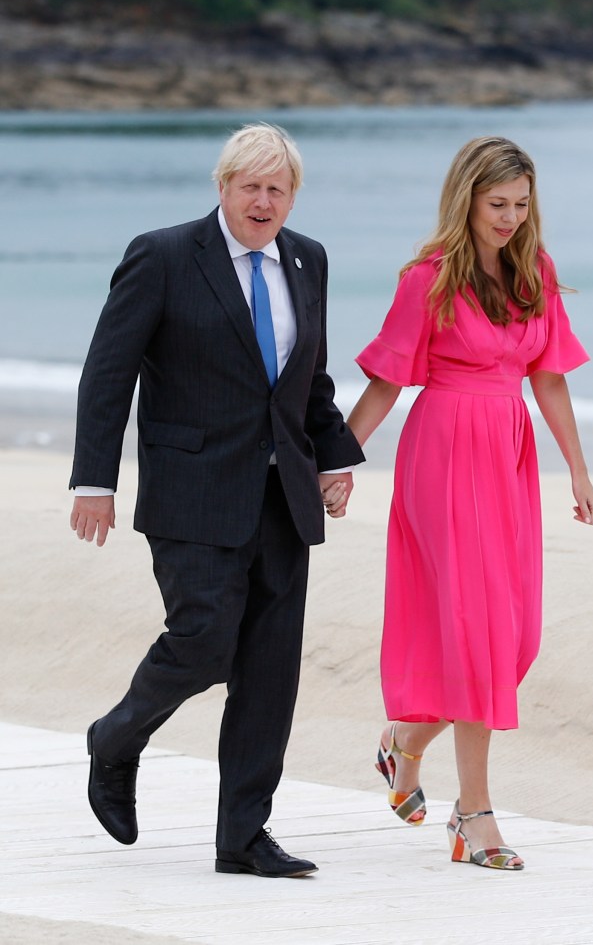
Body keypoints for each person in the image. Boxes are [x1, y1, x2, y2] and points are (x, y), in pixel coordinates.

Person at [69, 122, 363, 878]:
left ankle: (242, 836)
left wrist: (333, 458)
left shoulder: (308, 259)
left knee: (269, 668)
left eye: (278, 188)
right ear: (222, 186)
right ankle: (116, 737)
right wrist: (94, 480)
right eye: (250, 186)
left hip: (281, 494)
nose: (264, 201)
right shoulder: (164, 255)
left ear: (293, 194)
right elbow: (110, 371)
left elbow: (309, 379)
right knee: (202, 636)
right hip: (191, 489)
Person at [347, 136, 593, 871]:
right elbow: (389, 381)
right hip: (442, 451)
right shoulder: (426, 278)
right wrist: (337, 460)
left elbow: (548, 378)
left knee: (511, 636)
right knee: (475, 630)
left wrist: (578, 472)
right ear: (466, 198)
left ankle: (404, 743)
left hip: (507, 453)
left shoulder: (535, 270)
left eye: (521, 206)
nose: (510, 219)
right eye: (497, 205)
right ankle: (474, 814)